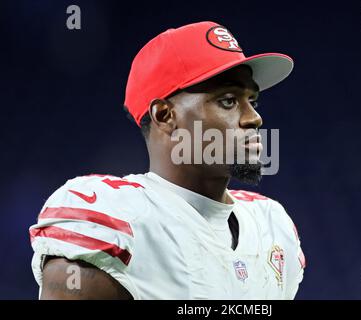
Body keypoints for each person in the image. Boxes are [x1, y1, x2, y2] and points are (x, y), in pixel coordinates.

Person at [29, 21, 306, 299]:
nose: (254, 118)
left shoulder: (272, 225)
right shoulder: (115, 219)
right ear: (164, 115)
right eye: (228, 100)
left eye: (252, 101)